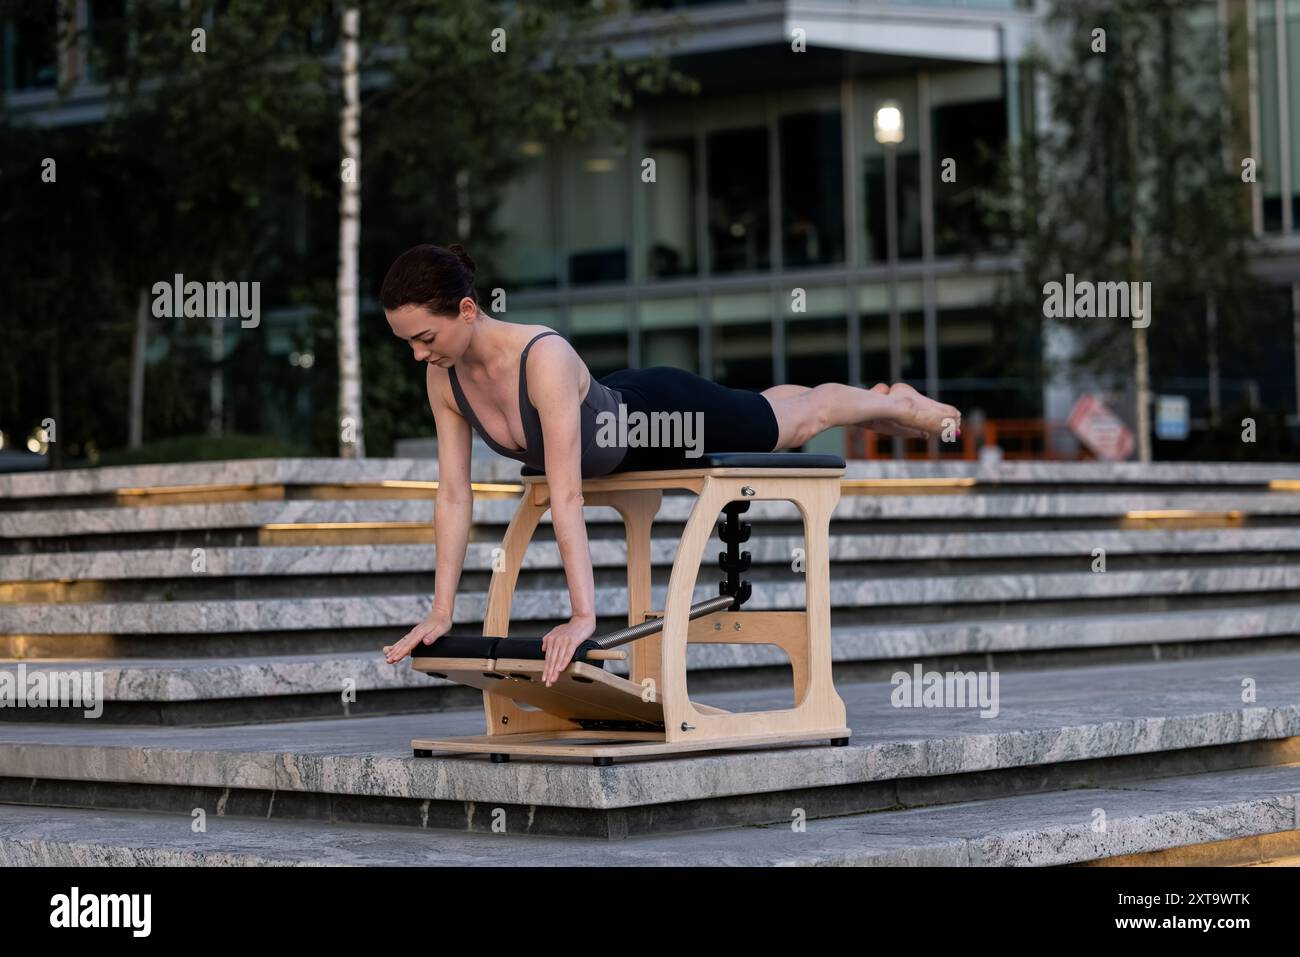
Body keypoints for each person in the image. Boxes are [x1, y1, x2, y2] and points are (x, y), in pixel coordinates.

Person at [379, 243, 961, 685]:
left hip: (663, 418)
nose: (418, 355)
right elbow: (454, 494)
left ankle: (897, 404)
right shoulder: (444, 379)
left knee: (800, 422)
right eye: (408, 344)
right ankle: (873, 401)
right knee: (759, 408)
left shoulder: (542, 357)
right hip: (617, 405)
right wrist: (440, 610)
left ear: (466, 308)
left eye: (425, 337)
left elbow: (569, 496)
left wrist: (584, 616)